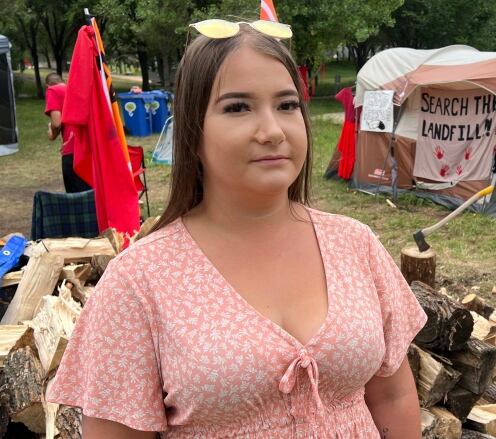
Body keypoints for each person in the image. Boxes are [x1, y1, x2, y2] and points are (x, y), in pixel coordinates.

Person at [46, 22, 427, 439]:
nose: (273, 131)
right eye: (237, 108)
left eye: (287, 105)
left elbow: (392, 397)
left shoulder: (356, 245)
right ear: (192, 133)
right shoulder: (139, 281)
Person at [44, 73, 91, 193]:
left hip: (72, 151)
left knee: (75, 197)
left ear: (47, 85)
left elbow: (56, 123)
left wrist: (51, 131)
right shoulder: (75, 89)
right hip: (88, 147)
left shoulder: (52, 90)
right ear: (63, 80)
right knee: (90, 194)